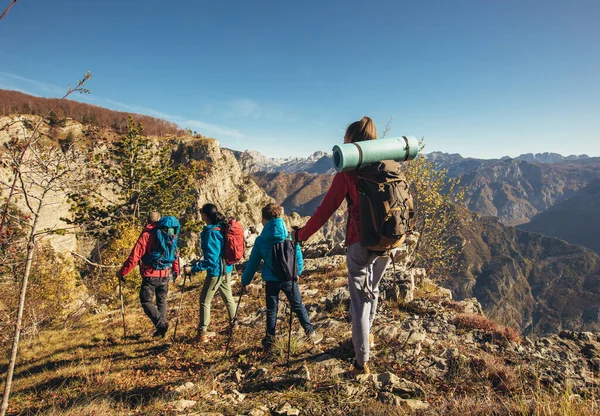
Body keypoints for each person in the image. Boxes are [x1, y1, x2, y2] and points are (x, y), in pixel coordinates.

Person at [293, 117, 393, 376]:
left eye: (346, 139)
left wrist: (301, 235)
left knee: (359, 300)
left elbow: (325, 210)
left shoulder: (348, 173)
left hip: (359, 242)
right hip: (387, 241)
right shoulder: (387, 164)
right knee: (374, 290)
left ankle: (361, 361)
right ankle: (367, 339)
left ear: (352, 141)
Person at [241, 203, 322, 349]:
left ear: (264, 219)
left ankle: (270, 339)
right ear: (280, 217)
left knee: (272, 310)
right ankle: (311, 333)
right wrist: (297, 272)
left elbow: (253, 263)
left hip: (271, 281)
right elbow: (298, 257)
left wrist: (245, 280)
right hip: (288, 279)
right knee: (297, 306)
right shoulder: (289, 236)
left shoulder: (260, 240)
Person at [117, 211, 180, 338]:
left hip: (150, 274)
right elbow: (175, 252)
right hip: (165, 273)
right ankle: (161, 330)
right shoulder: (169, 232)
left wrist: (122, 272)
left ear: (147, 221)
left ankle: (161, 324)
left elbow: (134, 257)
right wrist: (176, 270)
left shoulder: (146, 235)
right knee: (161, 300)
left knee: (146, 302)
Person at [183, 204, 236, 343]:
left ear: (206, 216)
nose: (201, 217)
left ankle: (202, 333)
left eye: (202, 214)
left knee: (204, 301)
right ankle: (234, 326)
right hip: (227, 269)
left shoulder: (211, 232)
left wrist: (193, 268)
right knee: (228, 297)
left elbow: (211, 260)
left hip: (216, 272)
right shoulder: (222, 227)